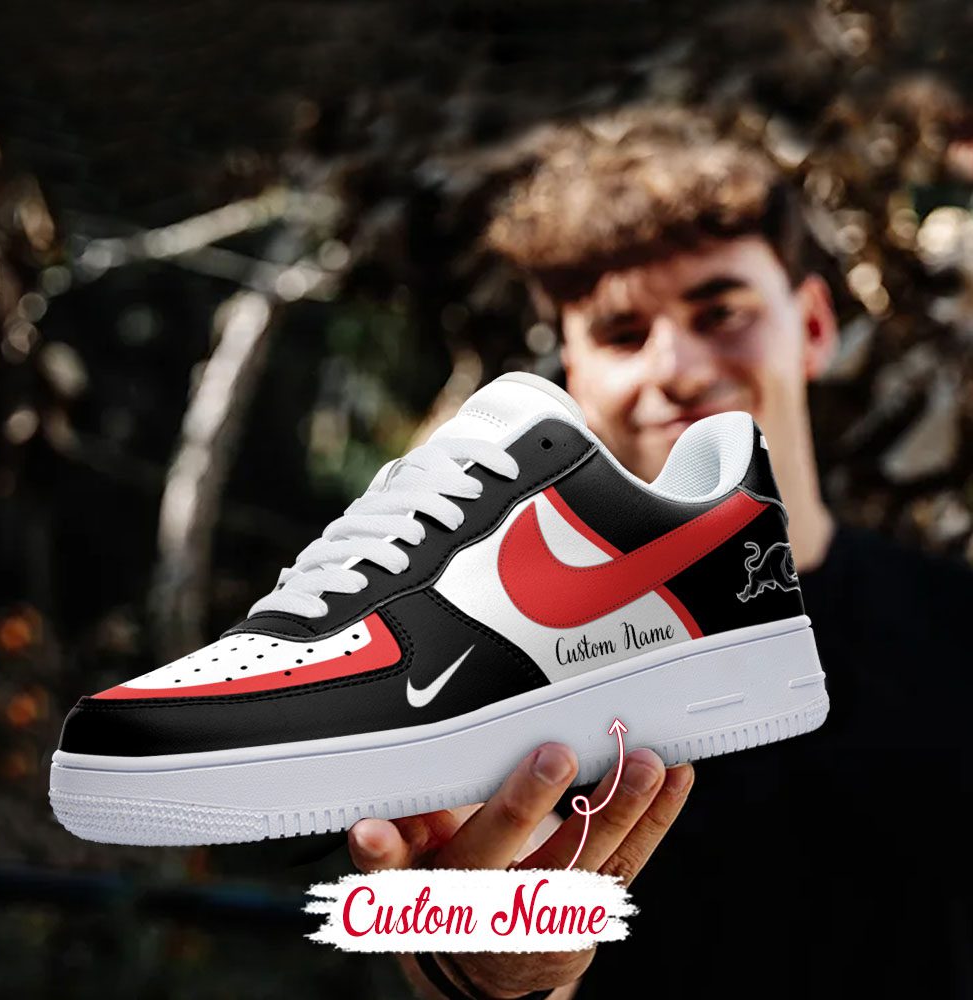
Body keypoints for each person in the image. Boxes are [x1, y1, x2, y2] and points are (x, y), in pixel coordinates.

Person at [346, 108, 973, 999]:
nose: (675, 367)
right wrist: (491, 975)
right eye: (621, 332)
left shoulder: (958, 629)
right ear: (573, 375)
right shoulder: (496, 677)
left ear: (812, 326)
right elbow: (493, 965)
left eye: (721, 312)